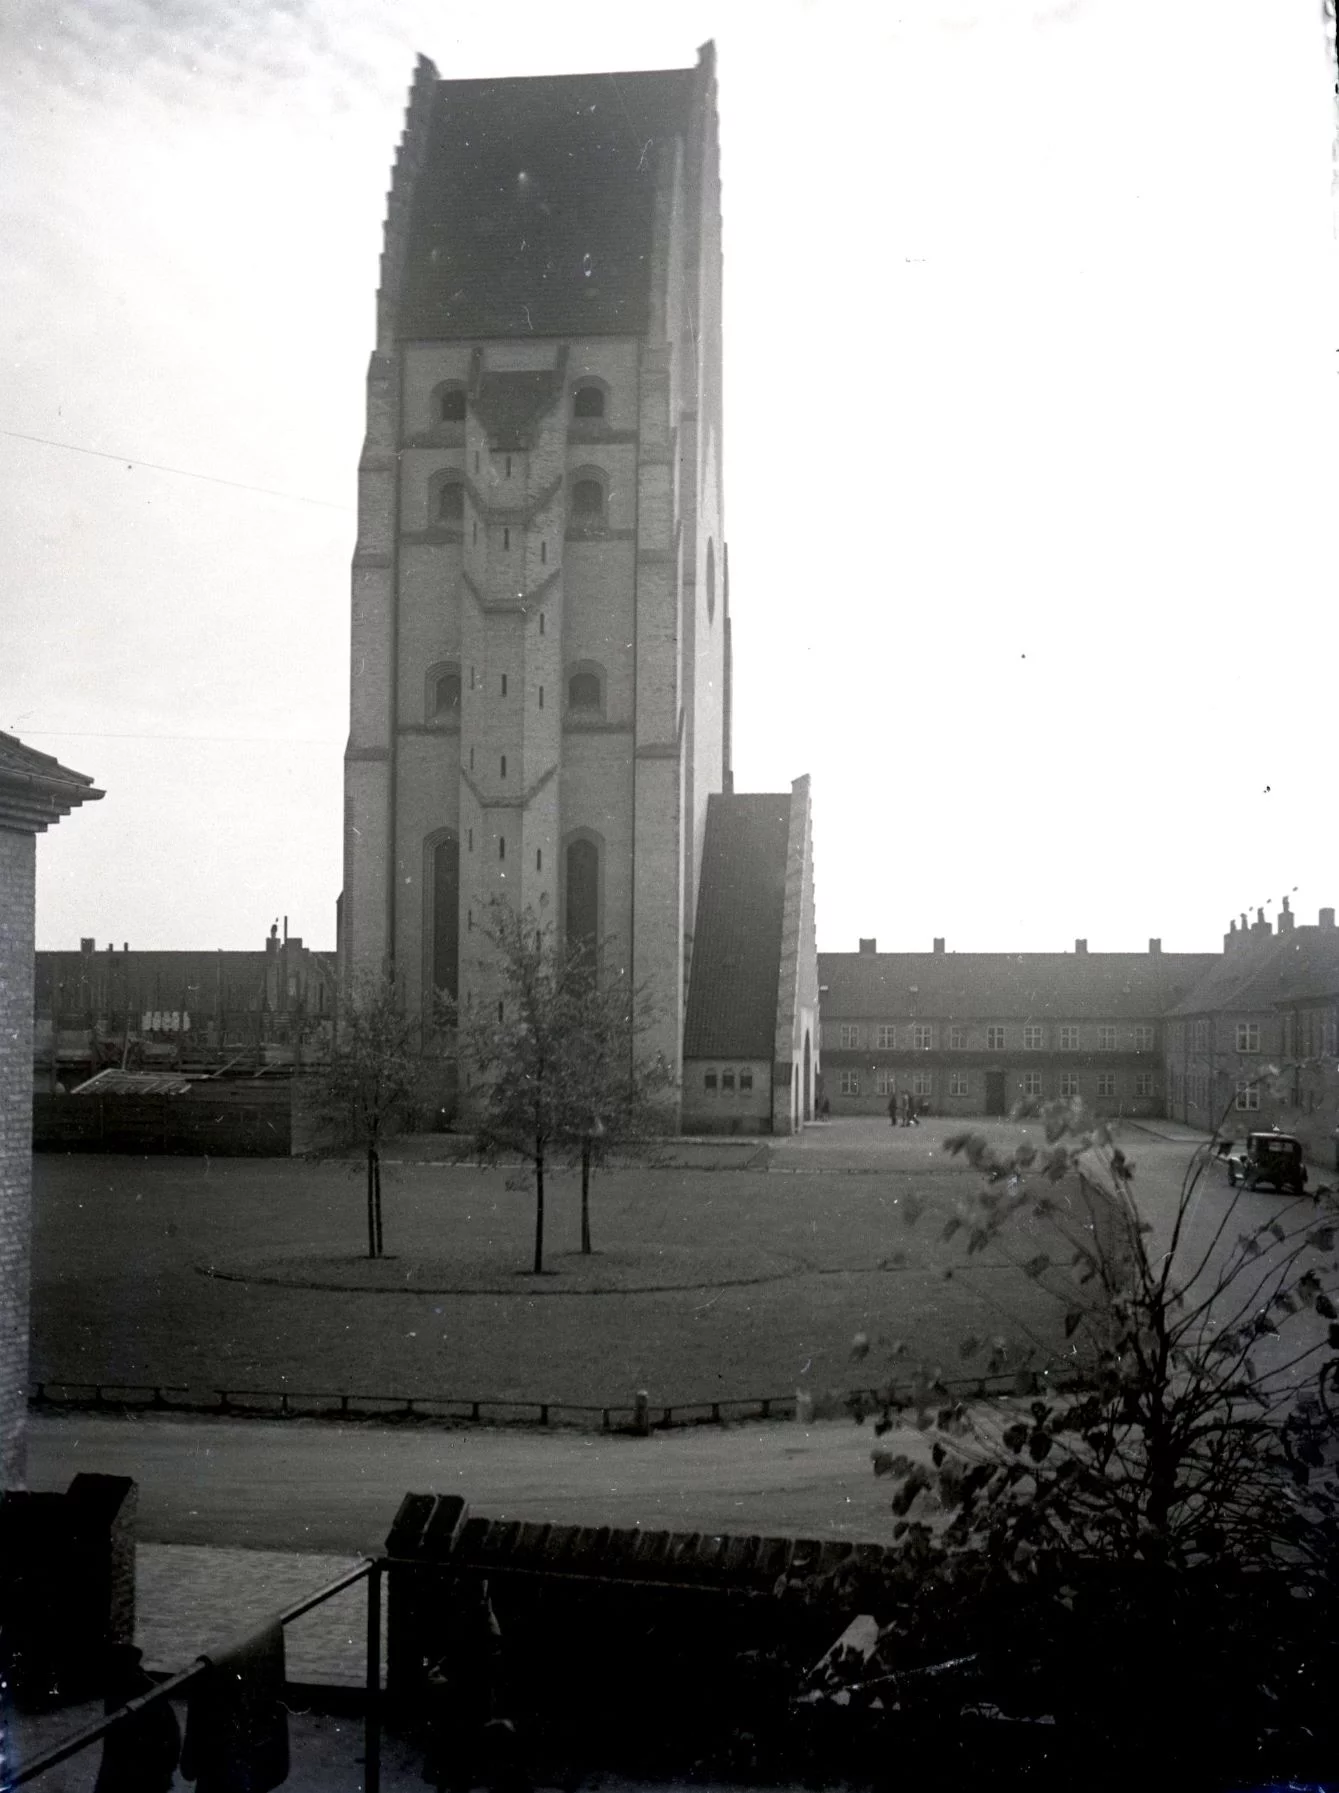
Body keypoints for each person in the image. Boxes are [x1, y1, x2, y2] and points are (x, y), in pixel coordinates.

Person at [93, 1644, 181, 1793]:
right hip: (117, 1771)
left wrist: (165, 1773)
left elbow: (171, 1737)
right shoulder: (117, 1689)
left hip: (145, 1773)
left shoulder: (152, 1695)